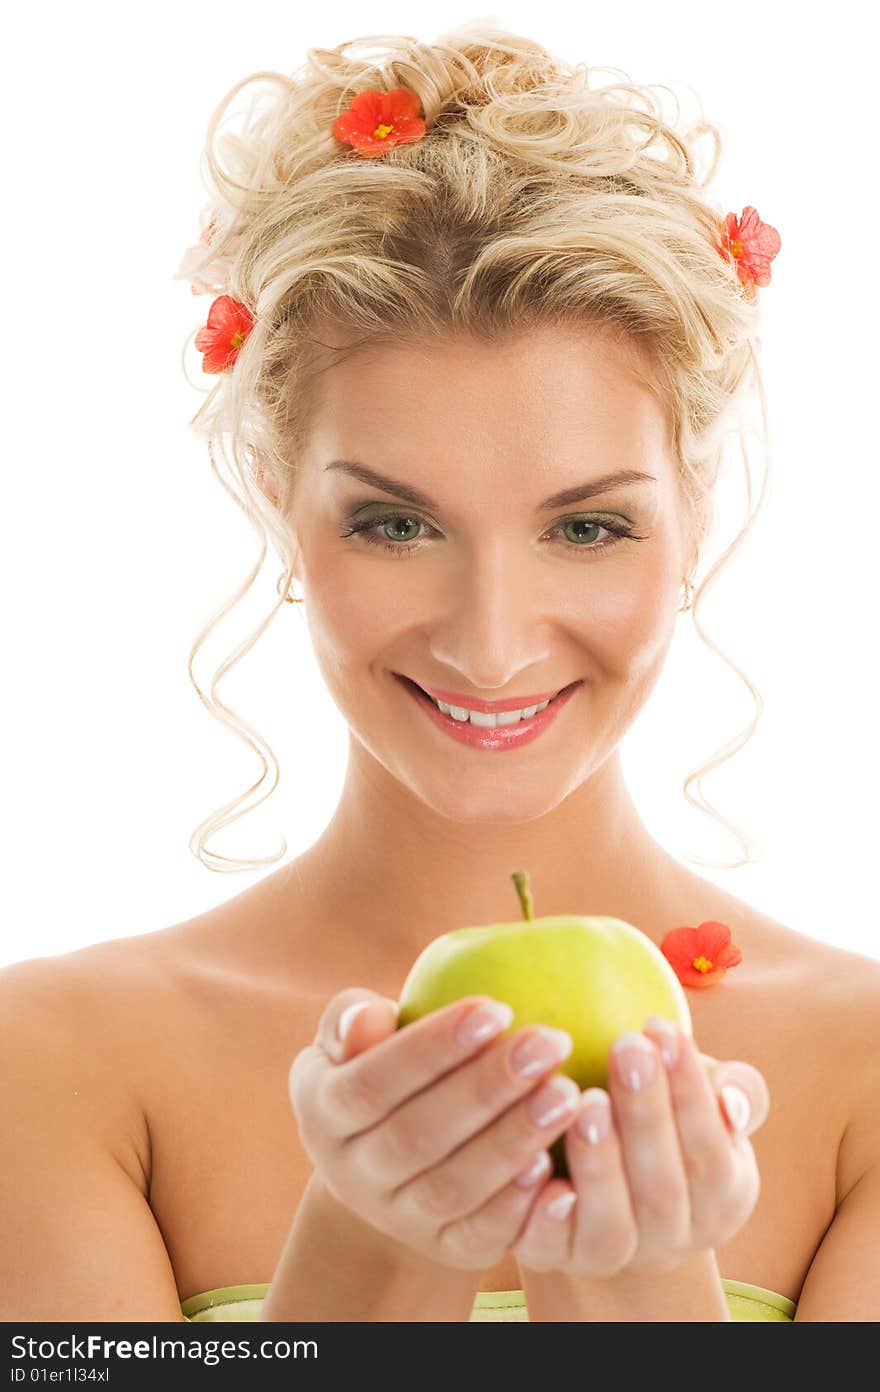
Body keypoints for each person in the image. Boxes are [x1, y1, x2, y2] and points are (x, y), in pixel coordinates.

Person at [2, 23, 877, 1324]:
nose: (491, 641)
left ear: (691, 513)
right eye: (395, 524)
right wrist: (369, 1251)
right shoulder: (53, 1062)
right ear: (275, 499)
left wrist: (636, 1290)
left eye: (587, 526)